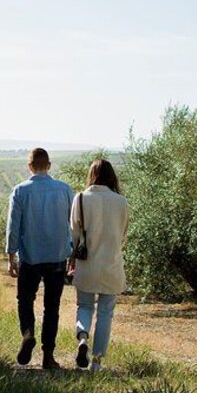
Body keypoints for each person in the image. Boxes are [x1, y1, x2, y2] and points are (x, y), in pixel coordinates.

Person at [6, 148, 73, 369]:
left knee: (25, 300)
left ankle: (27, 334)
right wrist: (71, 251)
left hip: (30, 257)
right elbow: (72, 224)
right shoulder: (64, 190)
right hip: (56, 257)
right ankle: (48, 356)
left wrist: (10, 255)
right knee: (51, 307)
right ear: (49, 165)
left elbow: (13, 226)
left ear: (30, 166)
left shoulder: (20, 191)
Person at [69, 159, 128, 372]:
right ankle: (96, 362)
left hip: (87, 264)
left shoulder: (81, 198)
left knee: (84, 306)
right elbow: (123, 234)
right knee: (105, 313)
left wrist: (72, 258)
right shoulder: (121, 201)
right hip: (111, 264)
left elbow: (74, 234)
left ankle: (83, 338)